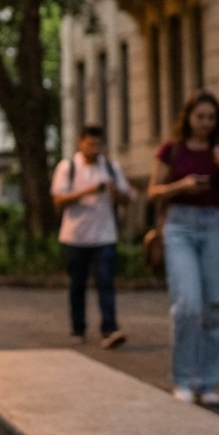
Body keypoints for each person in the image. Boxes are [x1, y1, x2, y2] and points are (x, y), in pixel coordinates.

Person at [147, 92, 219, 406]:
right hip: (180, 227)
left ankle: (207, 383)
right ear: (188, 117)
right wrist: (180, 186)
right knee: (188, 306)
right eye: (201, 117)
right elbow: (153, 191)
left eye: (212, 118)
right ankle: (183, 379)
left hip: (214, 226)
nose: (206, 124)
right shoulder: (171, 150)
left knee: (215, 307)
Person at [52, 124, 132, 349]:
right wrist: (89, 190)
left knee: (105, 282)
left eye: (98, 144)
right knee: (77, 284)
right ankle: (78, 327)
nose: (94, 148)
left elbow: (127, 199)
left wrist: (114, 190)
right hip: (74, 236)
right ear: (80, 143)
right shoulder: (67, 167)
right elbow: (59, 199)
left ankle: (110, 328)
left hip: (104, 235)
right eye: (90, 144)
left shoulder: (110, 168)